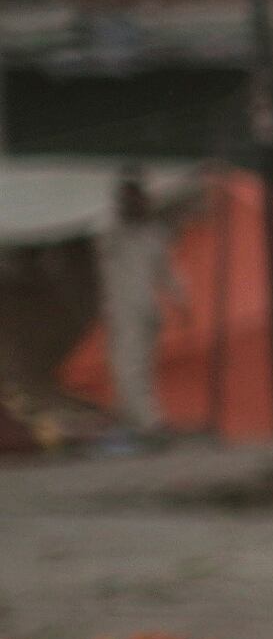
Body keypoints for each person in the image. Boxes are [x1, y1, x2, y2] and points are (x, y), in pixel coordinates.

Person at [96, 164, 177, 438]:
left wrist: (181, 302)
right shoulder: (113, 231)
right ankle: (137, 419)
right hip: (124, 308)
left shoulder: (151, 233)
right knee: (127, 365)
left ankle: (145, 422)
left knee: (134, 365)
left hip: (143, 310)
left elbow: (166, 272)